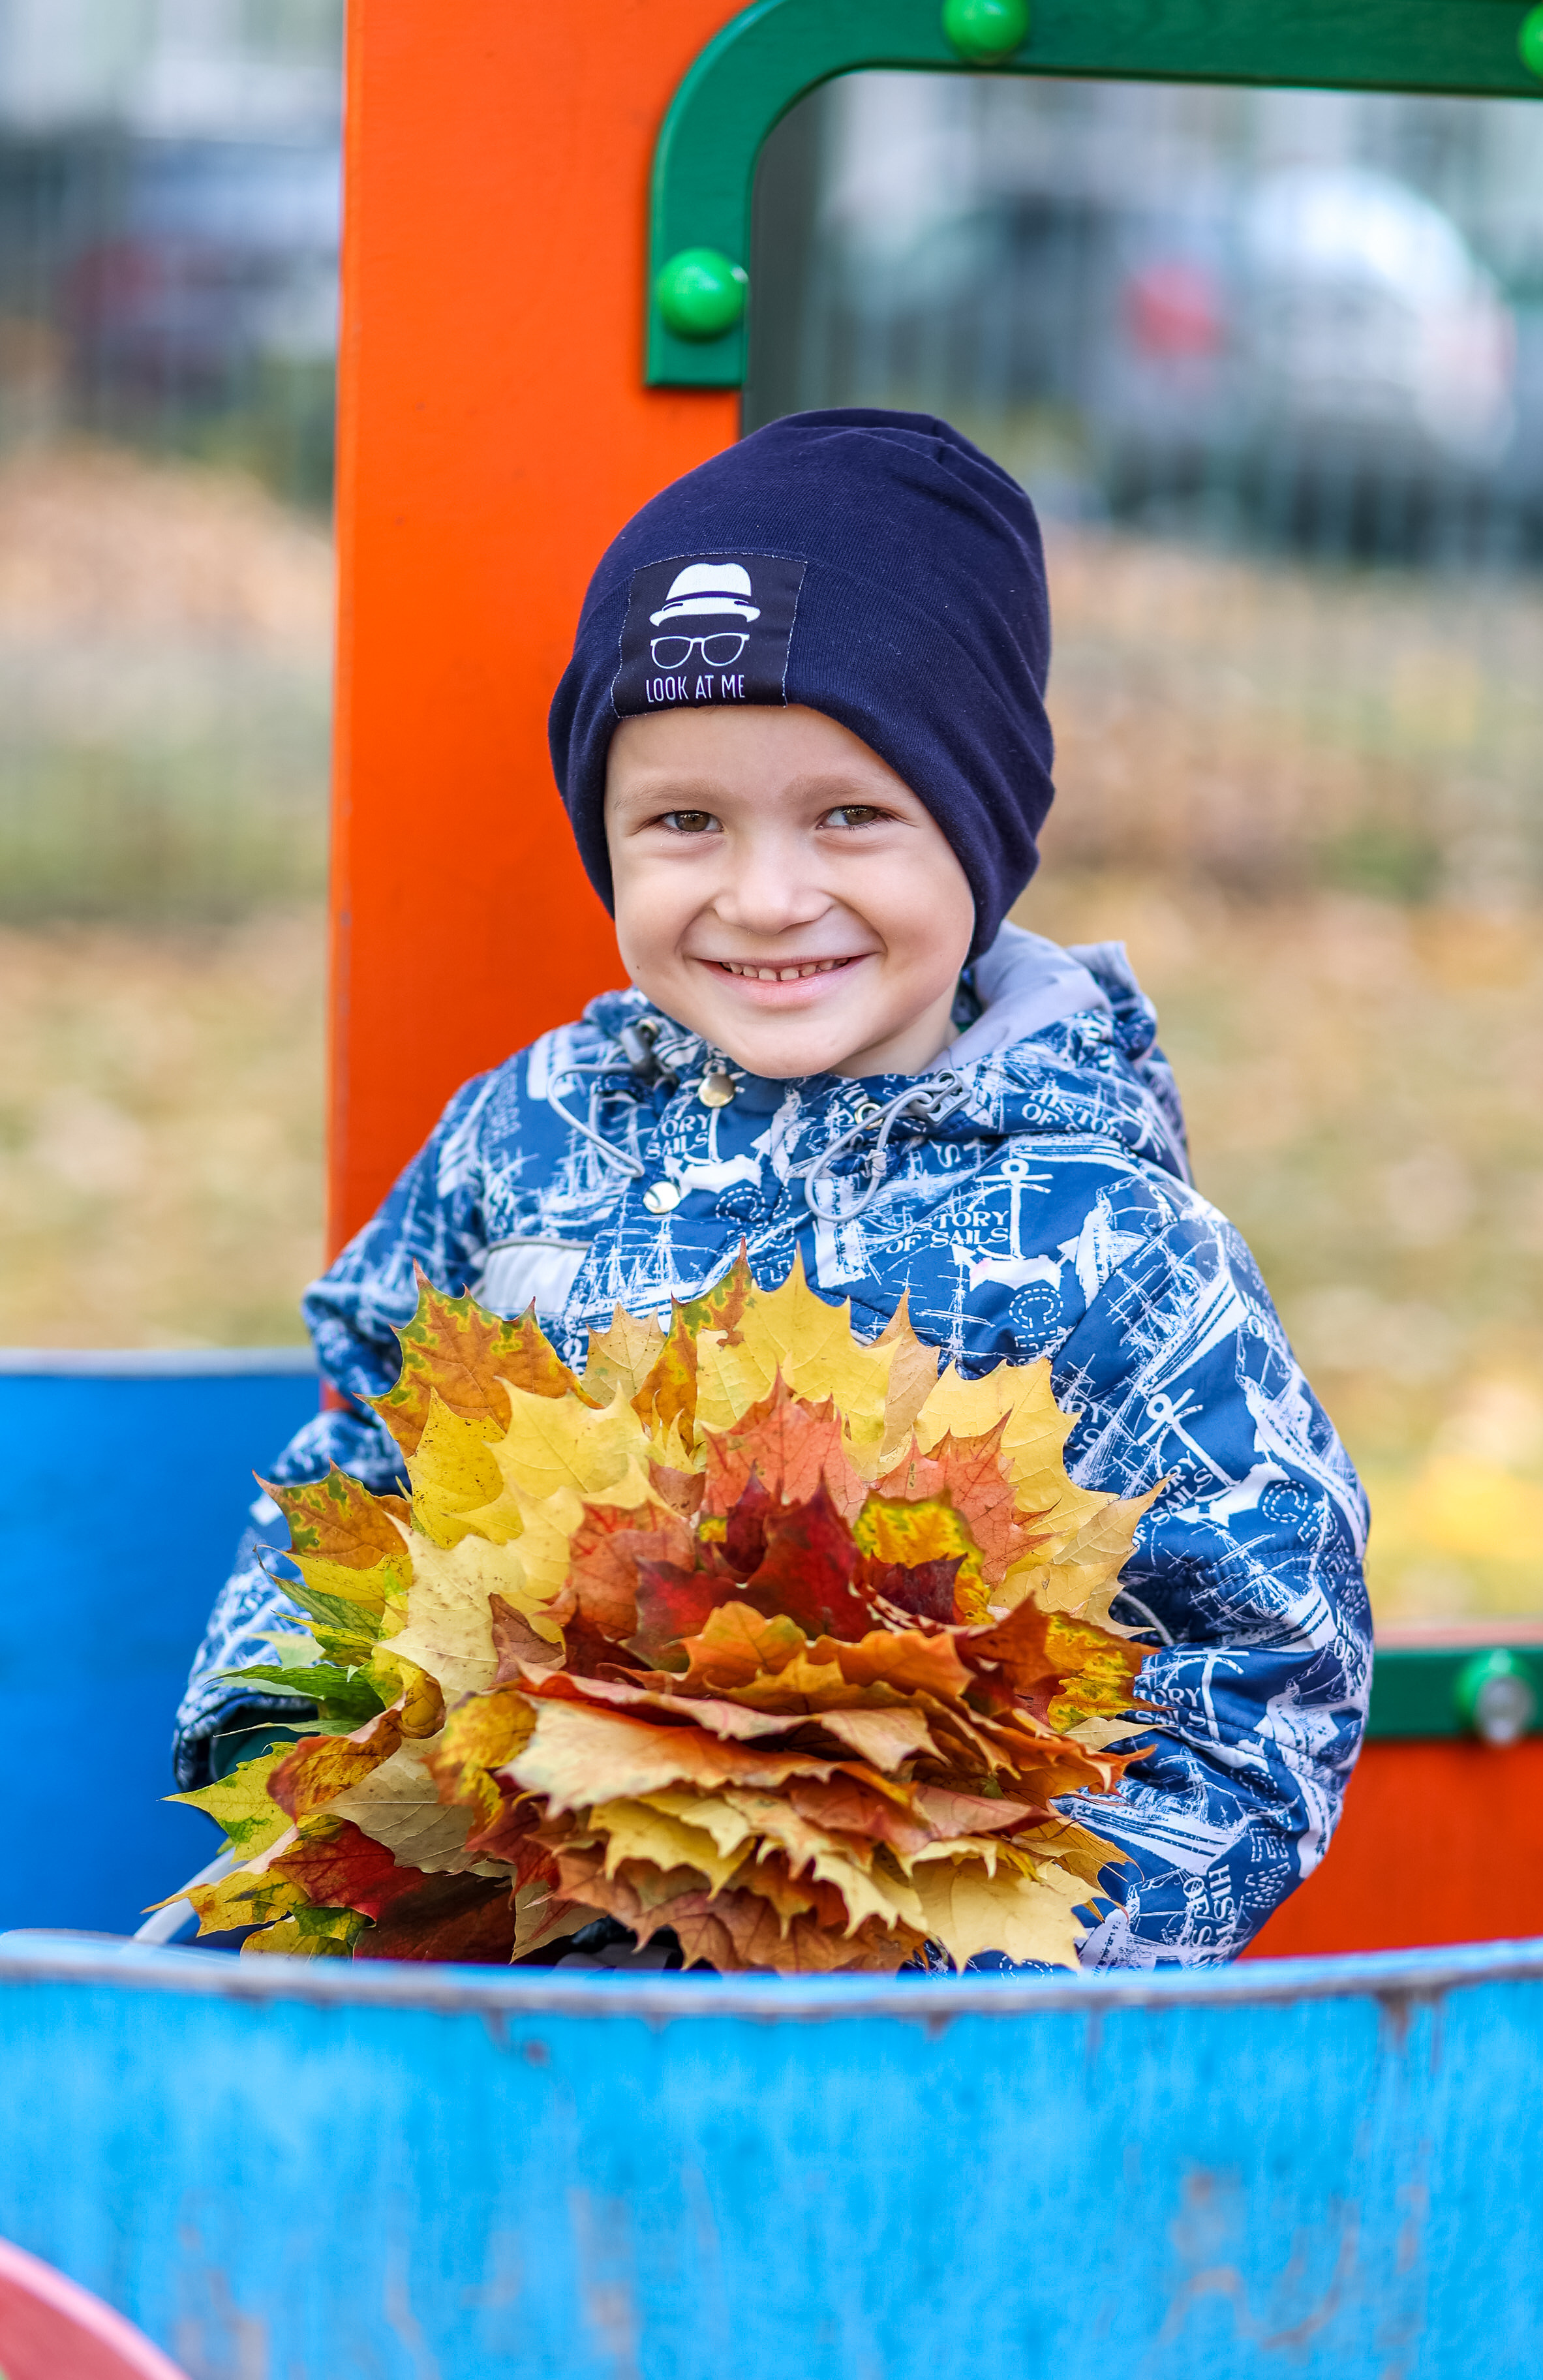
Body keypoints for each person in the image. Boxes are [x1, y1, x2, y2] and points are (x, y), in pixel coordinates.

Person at [174, 408, 1371, 1969]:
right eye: (683, 822)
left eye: (850, 816)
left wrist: (1025, 1971)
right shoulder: (523, 1137)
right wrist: (289, 1774)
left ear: (986, 827)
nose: (764, 895)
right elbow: (358, 1450)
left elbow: (1256, 1659)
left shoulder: (1106, 1244)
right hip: (488, 1976)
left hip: (892, 2034)